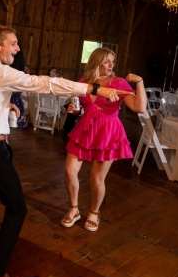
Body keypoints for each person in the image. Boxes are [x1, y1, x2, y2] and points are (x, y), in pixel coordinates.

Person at [0, 26, 130, 277]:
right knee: (17, 209)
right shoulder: (0, 72)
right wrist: (95, 88)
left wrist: (5, 106)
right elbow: (47, 84)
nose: (17, 48)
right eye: (13, 43)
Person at [61, 48, 147, 231]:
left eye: (112, 62)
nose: (111, 65)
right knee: (69, 170)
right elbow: (78, 108)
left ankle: (94, 212)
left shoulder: (118, 82)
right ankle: (74, 209)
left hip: (108, 132)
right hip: (85, 129)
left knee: (96, 177)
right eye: (107, 61)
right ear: (96, 61)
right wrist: (73, 110)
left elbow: (139, 107)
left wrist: (139, 82)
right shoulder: (84, 82)